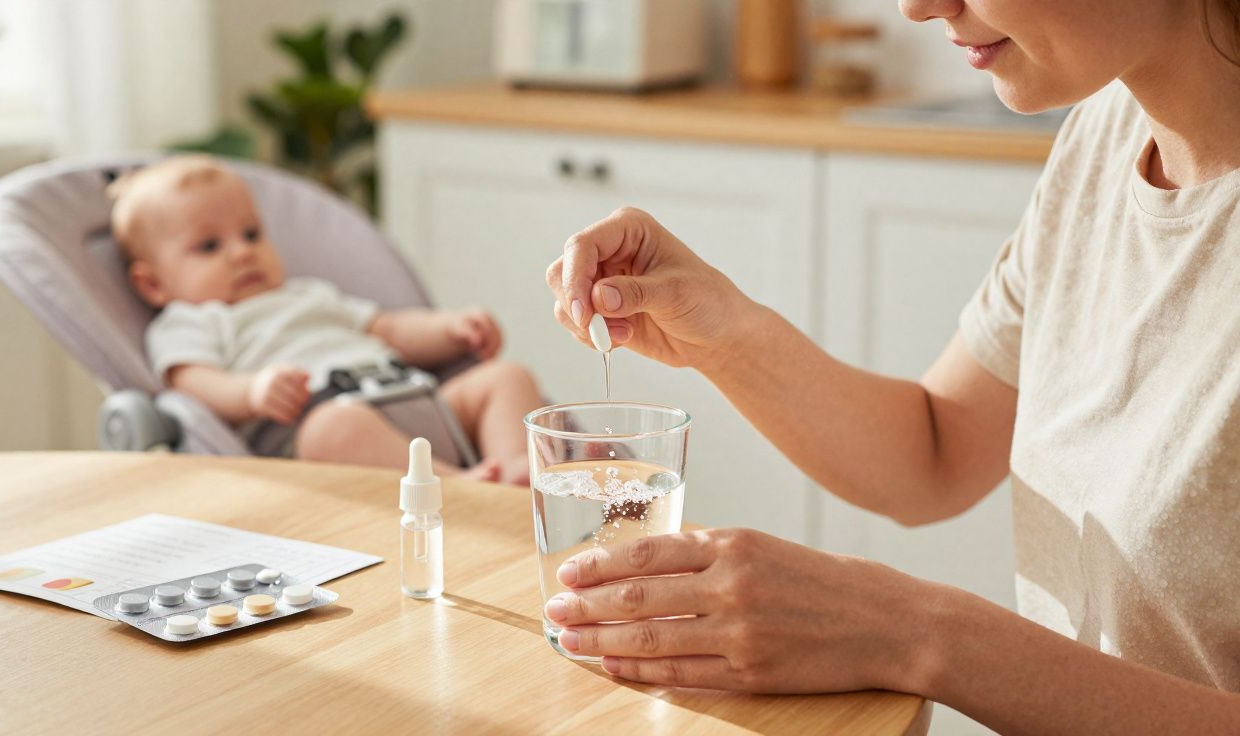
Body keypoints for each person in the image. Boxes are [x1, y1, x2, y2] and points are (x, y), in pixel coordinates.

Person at [543, 0, 1240, 731]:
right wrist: (722, 332)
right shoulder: (1104, 137)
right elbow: (934, 450)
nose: (917, 5)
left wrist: (916, 634)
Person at [113, 155, 540, 484]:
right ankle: (458, 489)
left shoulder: (308, 294)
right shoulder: (192, 320)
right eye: (208, 246)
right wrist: (253, 392)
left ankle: (516, 470)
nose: (242, 252)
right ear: (152, 285)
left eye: (251, 234)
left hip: (415, 395)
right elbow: (191, 382)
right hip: (323, 426)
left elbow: (388, 329)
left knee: (505, 377)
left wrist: (450, 330)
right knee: (335, 427)